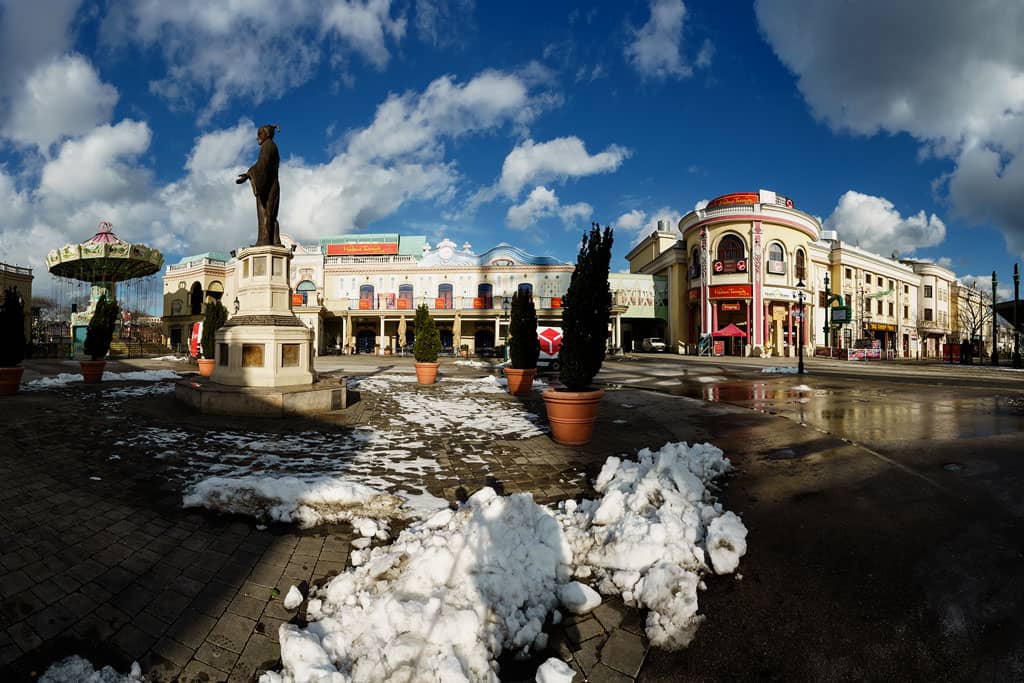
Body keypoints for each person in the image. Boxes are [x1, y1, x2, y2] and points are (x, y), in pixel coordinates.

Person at [236, 124, 281, 246]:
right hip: (271, 184)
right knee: (271, 214)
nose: (257, 137)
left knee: (265, 213)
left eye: (259, 134)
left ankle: (264, 241)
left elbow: (262, 164)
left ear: (267, 134)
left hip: (267, 185)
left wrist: (248, 174)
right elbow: (262, 165)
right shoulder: (271, 146)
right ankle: (275, 241)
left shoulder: (268, 146)